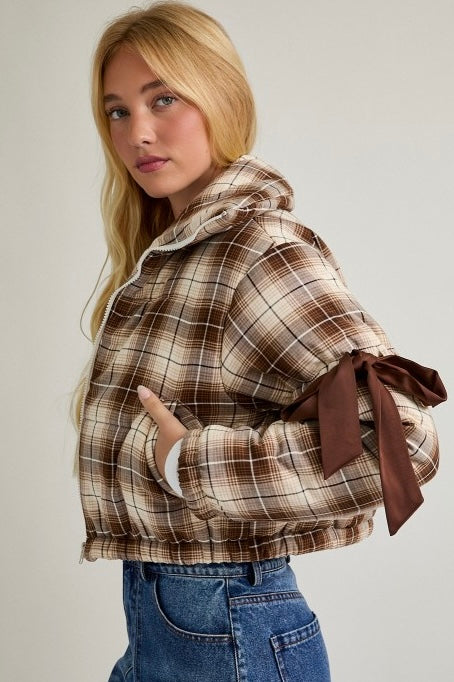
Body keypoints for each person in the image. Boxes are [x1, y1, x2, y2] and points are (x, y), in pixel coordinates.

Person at [75, 2, 444, 681]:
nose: (138, 132)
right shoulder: (178, 254)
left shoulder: (259, 250)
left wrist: (191, 462)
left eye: (163, 99)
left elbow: (401, 441)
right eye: (118, 111)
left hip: (226, 629)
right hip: (168, 622)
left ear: (221, 97)